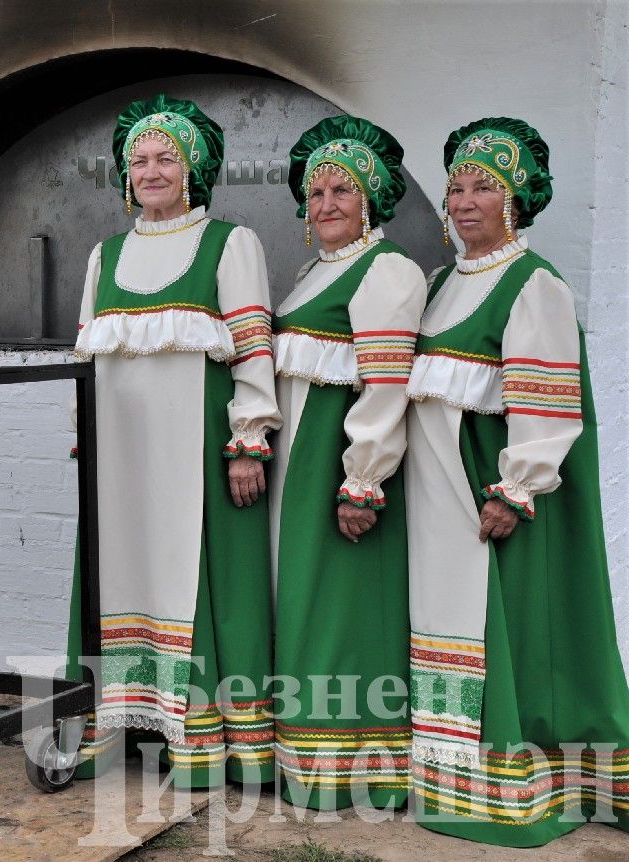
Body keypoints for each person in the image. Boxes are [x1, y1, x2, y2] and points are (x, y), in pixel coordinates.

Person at [406, 117, 629, 846]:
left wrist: (517, 486)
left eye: (484, 189)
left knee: (508, 636)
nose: (465, 201)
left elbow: (547, 401)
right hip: (439, 494)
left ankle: (516, 790)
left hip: (491, 497)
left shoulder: (535, 285)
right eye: (456, 188)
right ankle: (452, 779)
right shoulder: (442, 283)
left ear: (516, 201)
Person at [68, 94, 281, 789]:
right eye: (139, 159)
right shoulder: (104, 256)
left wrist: (249, 439)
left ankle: (201, 738)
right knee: (120, 574)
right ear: (124, 175)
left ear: (193, 168)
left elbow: (253, 351)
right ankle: (123, 722)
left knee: (189, 580)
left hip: (194, 459)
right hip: (119, 459)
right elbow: (85, 364)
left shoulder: (231, 243)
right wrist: (85, 437)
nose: (151, 170)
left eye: (166, 158)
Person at [269, 117, 425, 811]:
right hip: (294, 466)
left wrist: (362, 479)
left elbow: (385, 383)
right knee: (300, 602)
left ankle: (348, 766)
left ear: (372, 202)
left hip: (334, 463)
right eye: (317, 191)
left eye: (343, 191)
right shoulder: (312, 272)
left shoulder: (388, 271)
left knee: (335, 610)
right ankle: (295, 752)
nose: (326, 204)